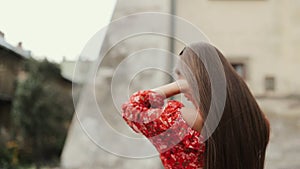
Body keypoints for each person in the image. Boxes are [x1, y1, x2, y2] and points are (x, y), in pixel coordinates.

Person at [121, 42, 270, 169]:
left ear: (194, 76)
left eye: (180, 73)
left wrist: (178, 85)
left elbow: (132, 109)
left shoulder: (185, 120)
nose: (177, 79)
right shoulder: (258, 121)